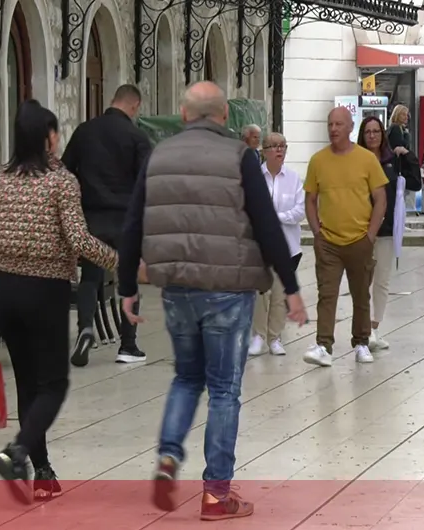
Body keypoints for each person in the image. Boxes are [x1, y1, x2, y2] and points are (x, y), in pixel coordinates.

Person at [116, 81, 307, 521]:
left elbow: (132, 224)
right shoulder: (240, 157)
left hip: (177, 287)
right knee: (224, 389)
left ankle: (168, 457)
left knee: (186, 378)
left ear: (184, 116)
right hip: (228, 289)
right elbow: (266, 225)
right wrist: (291, 288)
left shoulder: (157, 155)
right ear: (224, 117)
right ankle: (217, 493)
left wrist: (128, 287)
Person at [0, 100, 119, 504]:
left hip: (5, 292)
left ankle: (43, 472)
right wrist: (116, 259)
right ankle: (18, 451)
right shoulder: (61, 181)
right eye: (55, 132)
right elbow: (76, 238)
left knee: (27, 381)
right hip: (45, 290)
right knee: (53, 383)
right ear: (47, 137)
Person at [62, 84, 152, 367]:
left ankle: (86, 327)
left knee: (90, 278)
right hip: (126, 219)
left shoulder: (84, 132)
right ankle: (128, 346)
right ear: (134, 106)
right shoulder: (137, 137)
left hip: (92, 218)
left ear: (113, 100)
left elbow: (65, 171)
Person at [302, 107, 388, 367]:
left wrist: (370, 235)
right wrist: (317, 232)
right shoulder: (318, 160)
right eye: (330, 124)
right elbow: (310, 199)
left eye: (339, 124)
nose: (333, 129)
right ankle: (323, 345)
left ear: (351, 128)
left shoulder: (366, 159)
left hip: (359, 239)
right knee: (326, 294)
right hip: (328, 241)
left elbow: (380, 199)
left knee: (361, 294)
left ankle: (361, 343)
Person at [249, 131, 305, 357]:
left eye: (283, 146)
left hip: (286, 245)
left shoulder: (293, 178)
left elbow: (299, 210)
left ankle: (275, 337)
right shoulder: (254, 177)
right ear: (264, 151)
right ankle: (258, 336)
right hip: (260, 246)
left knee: (281, 294)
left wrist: (275, 218)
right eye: (274, 146)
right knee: (261, 293)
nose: (279, 150)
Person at [356, 116, 402, 351]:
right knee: (363, 280)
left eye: (376, 131)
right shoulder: (355, 161)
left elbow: (410, 182)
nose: (372, 135)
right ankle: (362, 329)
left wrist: (407, 154)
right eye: (368, 132)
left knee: (382, 280)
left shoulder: (391, 160)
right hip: (361, 228)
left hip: (386, 230)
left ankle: (374, 328)